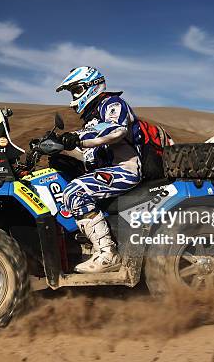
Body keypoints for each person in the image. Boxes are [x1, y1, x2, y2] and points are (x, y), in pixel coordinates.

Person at [56, 66, 141, 273]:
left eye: (76, 91)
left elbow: (115, 129)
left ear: (91, 86)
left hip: (125, 169)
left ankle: (107, 254)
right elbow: (91, 150)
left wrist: (76, 137)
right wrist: (57, 148)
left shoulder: (113, 104)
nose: (73, 99)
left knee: (75, 192)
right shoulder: (92, 117)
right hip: (109, 170)